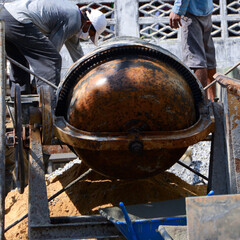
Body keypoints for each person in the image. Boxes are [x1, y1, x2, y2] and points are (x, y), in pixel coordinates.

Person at [0, 0, 107, 101]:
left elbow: (77, 53)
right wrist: (35, 83)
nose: (87, 36)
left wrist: (90, 73)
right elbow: (52, 50)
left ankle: (22, 111)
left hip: (5, 16)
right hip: (18, 20)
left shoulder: (74, 15)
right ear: (88, 23)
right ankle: (48, 109)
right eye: (90, 33)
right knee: (52, 60)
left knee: (20, 64)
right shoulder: (74, 21)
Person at [169, 0, 216, 101]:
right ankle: (213, 103)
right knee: (208, 59)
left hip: (191, 11)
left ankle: (202, 107)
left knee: (196, 60)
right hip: (205, 10)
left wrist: (178, 9)